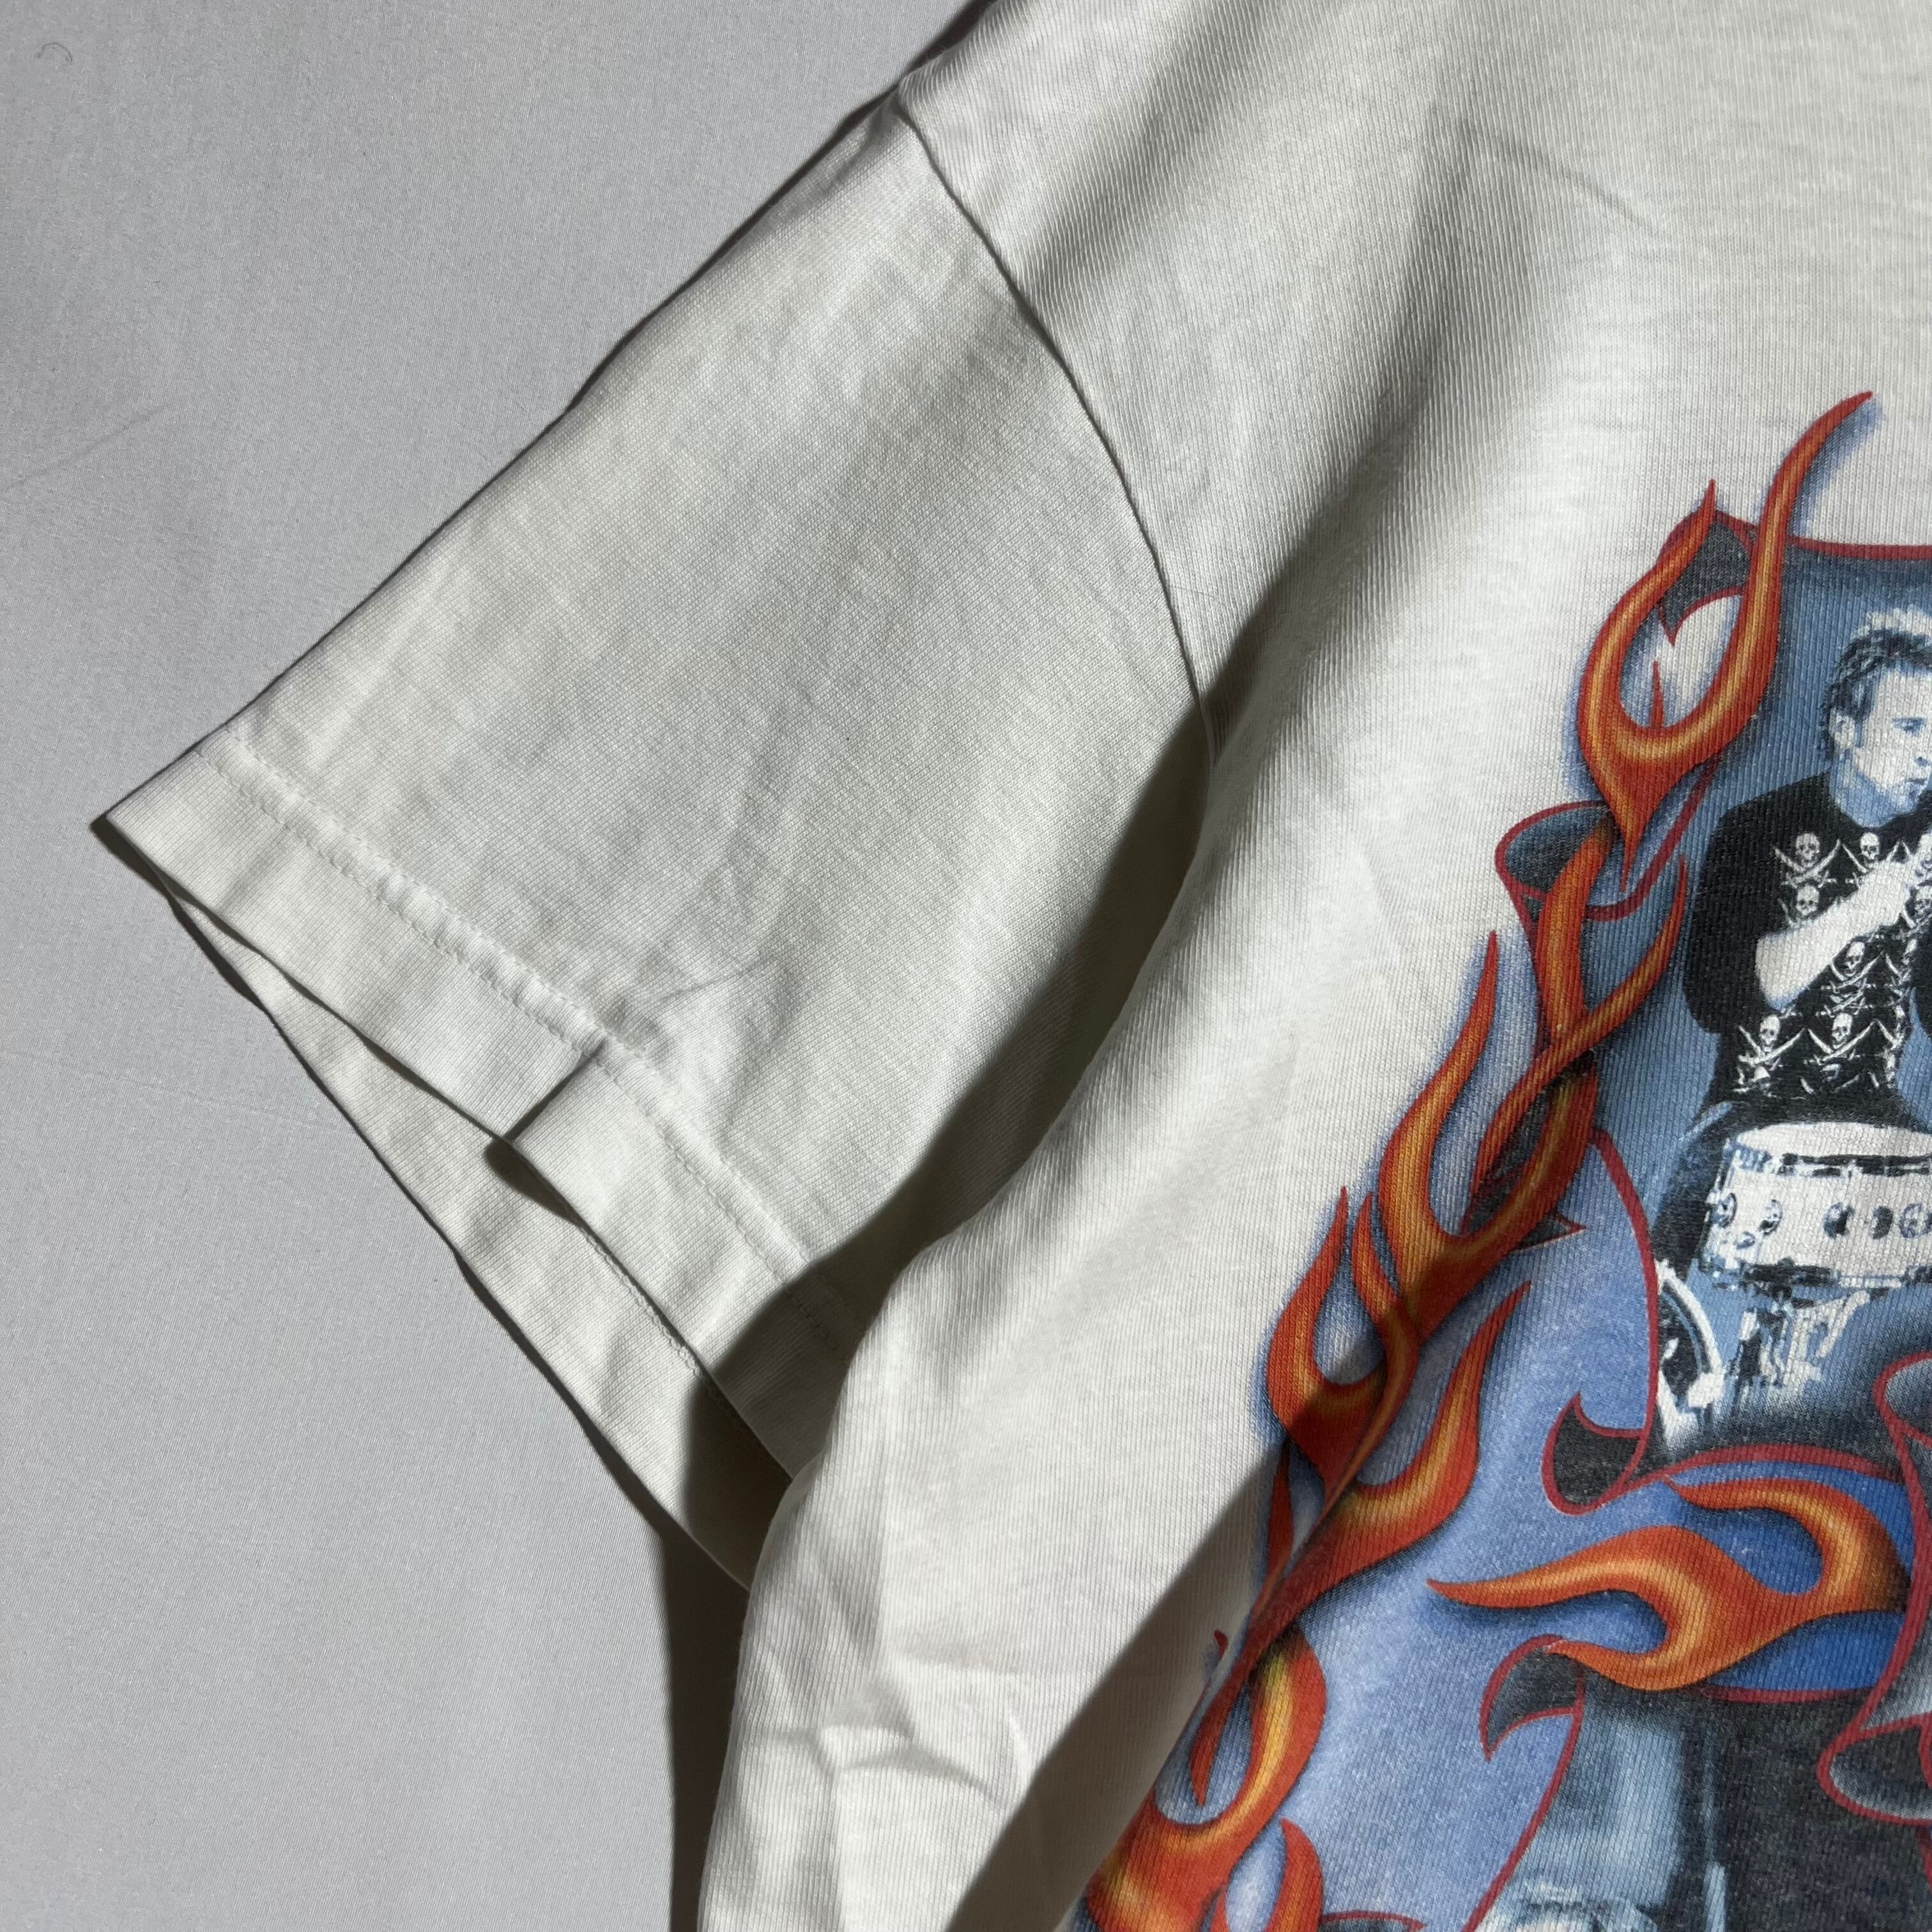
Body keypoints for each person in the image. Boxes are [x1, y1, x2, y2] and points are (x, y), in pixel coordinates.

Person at [1649, 612, 1932, 1296]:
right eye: (1909, 728)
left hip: (1875, 1114)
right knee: (1657, 1291)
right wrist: (1854, 916)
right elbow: (1713, 999)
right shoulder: (1755, 830)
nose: (1929, 754)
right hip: (1750, 1114)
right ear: (1845, 729)